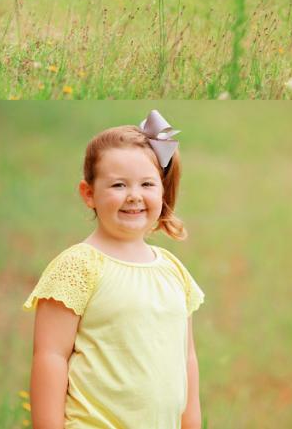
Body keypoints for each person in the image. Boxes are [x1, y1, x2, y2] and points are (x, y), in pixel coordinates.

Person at [24, 110, 204, 429]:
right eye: (118, 185)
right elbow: (50, 357)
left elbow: (186, 359)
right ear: (89, 194)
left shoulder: (173, 270)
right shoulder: (78, 266)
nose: (134, 196)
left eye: (147, 184)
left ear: (162, 192)